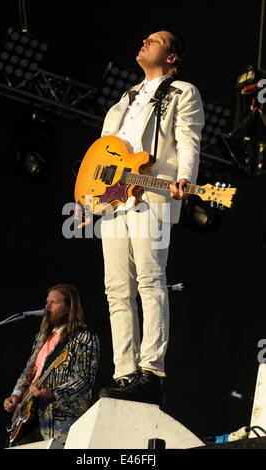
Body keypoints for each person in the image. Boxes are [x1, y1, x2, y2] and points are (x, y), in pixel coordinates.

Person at [77, 29, 205, 407]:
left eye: (156, 40)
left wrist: (187, 178)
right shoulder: (124, 99)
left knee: (150, 279)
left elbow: (188, 137)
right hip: (115, 199)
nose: (145, 42)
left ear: (172, 57)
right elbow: (102, 153)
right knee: (116, 288)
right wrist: (90, 199)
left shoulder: (183, 91)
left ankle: (151, 371)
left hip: (153, 190)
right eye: (145, 38)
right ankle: (124, 372)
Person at [3, 284, 100, 446]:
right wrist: (16, 395)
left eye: (53, 303)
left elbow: (84, 380)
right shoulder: (43, 336)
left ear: (69, 308)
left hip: (59, 421)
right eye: (47, 302)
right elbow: (29, 370)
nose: (47, 306)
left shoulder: (84, 337)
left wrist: (53, 393)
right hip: (29, 415)